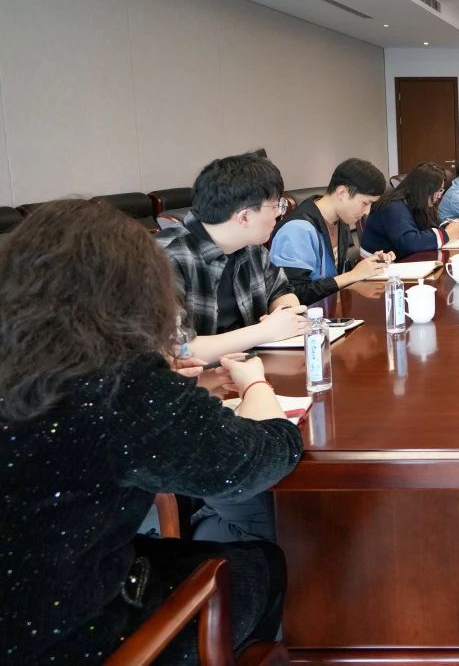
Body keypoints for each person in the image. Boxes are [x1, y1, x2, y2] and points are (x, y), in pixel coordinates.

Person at [0, 200, 302, 663]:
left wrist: (165, 386)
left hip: (35, 586)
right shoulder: (117, 384)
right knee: (262, 564)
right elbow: (259, 459)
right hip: (65, 635)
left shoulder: (31, 364)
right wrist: (255, 384)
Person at [156, 153, 307, 362]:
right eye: (275, 206)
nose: (279, 214)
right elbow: (175, 349)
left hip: (248, 368)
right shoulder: (163, 258)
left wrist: (286, 315)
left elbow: (281, 290)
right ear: (244, 217)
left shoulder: (251, 247)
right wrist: (266, 331)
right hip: (197, 377)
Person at [269, 158, 394, 304]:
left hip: (333, 309)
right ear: (342, 192)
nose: (367, 211)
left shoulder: (341, 220)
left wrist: (370, 265)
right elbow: (294, 294)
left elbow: (336, 274)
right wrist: (353, 275)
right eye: (365, 203)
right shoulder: (297, 230)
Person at [363, 162, 459, 257]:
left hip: (399, 260)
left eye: (441, 190)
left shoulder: (417, 202)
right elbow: (409, 242)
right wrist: (446, 234)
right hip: (378, 266)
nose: (439, 195)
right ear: (423, 190)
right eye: (438, 191)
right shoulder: (393, 207)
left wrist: (457, 225)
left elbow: (429, 227)